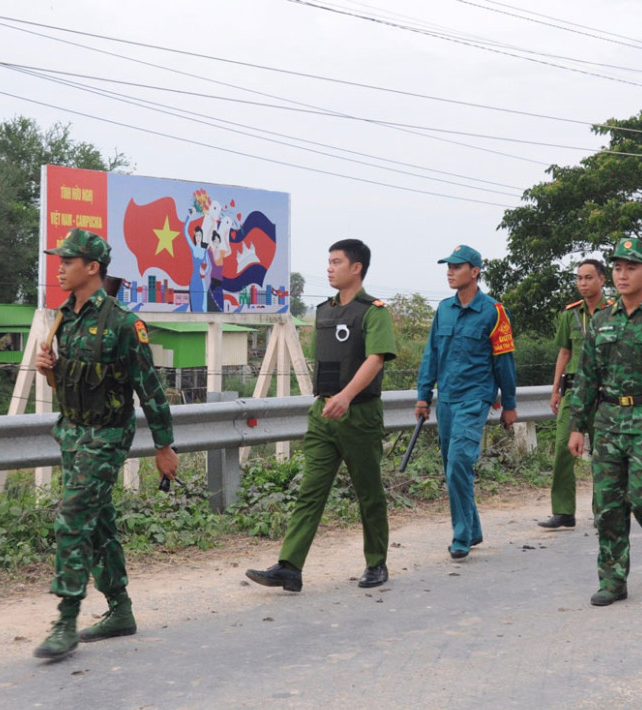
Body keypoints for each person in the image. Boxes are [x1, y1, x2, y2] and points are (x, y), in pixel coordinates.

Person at [33, 228, 179, 659]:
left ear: (92, 268)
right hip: (73, 432)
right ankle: (120, 610)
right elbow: (73, 384)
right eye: (58, 260)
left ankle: (66, 619)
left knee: (72, 519)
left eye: (67, 261)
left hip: (107, 435)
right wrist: (49, 369)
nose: (58, 267)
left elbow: (149, 388)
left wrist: (164, 446)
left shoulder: (122, 322)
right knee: (98, 523)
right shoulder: (65, 317)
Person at [246, 239, 397, 592]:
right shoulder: (324, 311)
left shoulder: (374, 312)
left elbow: (375, 359)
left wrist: (346, 396)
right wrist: (329, 400)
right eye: (328, 262)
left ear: (356, 268)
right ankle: (289, 566)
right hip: (323, 413)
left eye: (336, 262)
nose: (329, 268)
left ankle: (376, 562)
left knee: (369, 492)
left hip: (359, 414)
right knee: (310, 491)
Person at [567, 237, 642, 606]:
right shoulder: (600, 320)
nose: (622, 274)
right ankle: (613, 580)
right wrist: (576, 425)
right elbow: (586, 377)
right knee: (607, 506)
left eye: (630, 268)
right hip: (608, 422)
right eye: (617, 268)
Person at [415, 245, 518, 559]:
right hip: (446, 398)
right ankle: (472, 529)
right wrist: (423, 396)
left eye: (457, 266)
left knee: (459, 460)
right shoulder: (443, 309)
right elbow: (431, 355)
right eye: (448, 266)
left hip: (475, 398)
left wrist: (509, 404)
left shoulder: (494, 311)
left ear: (474, 271)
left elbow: (504, 362)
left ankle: (461, 536)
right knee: (451, 466)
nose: (450, 271)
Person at [540, 259, 609, 530]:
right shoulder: (570, 314)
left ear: (602, 279)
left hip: (605, 394)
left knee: (603, 454)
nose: (583, 283)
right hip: (574, 391)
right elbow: (565, 353)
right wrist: (555, 389)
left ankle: (603, 511)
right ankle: (563, 511)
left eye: (589, 277)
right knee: (562, 449)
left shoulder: (615, 312)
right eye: (579, 278)